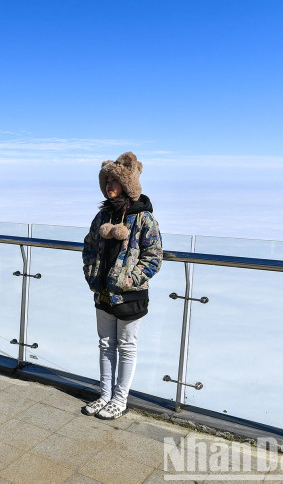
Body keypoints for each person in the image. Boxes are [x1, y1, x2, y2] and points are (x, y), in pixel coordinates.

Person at [81, 152, 162, 420]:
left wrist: (129, 280)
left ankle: (120, 399)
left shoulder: (144, 219)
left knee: (126, 345)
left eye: (114, 181)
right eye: (107, 181)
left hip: (129, 295)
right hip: (103, 290)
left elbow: (153, 257)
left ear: (127, 185)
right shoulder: (102, 216)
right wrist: (91, 273)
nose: (109, 186)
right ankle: (105, 395)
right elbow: (90, 245)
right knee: (106, 344)